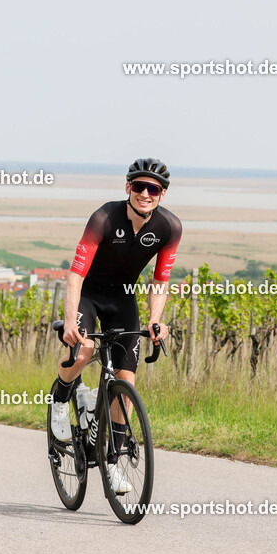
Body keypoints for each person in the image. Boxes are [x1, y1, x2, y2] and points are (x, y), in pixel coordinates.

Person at [51, 158, 182, 493]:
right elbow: (76, 273)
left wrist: (155, 320)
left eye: (153, 189)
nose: (145, 193)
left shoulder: (169, 228)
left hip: (123, 300)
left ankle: (112, 464)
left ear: (161, 195)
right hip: (88, 295)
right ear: (128, 188)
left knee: (126, 380)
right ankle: (60, 402)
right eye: (138, 186)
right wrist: (70, 322)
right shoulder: (104, 218)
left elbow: (160, 281)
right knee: (84, 351)